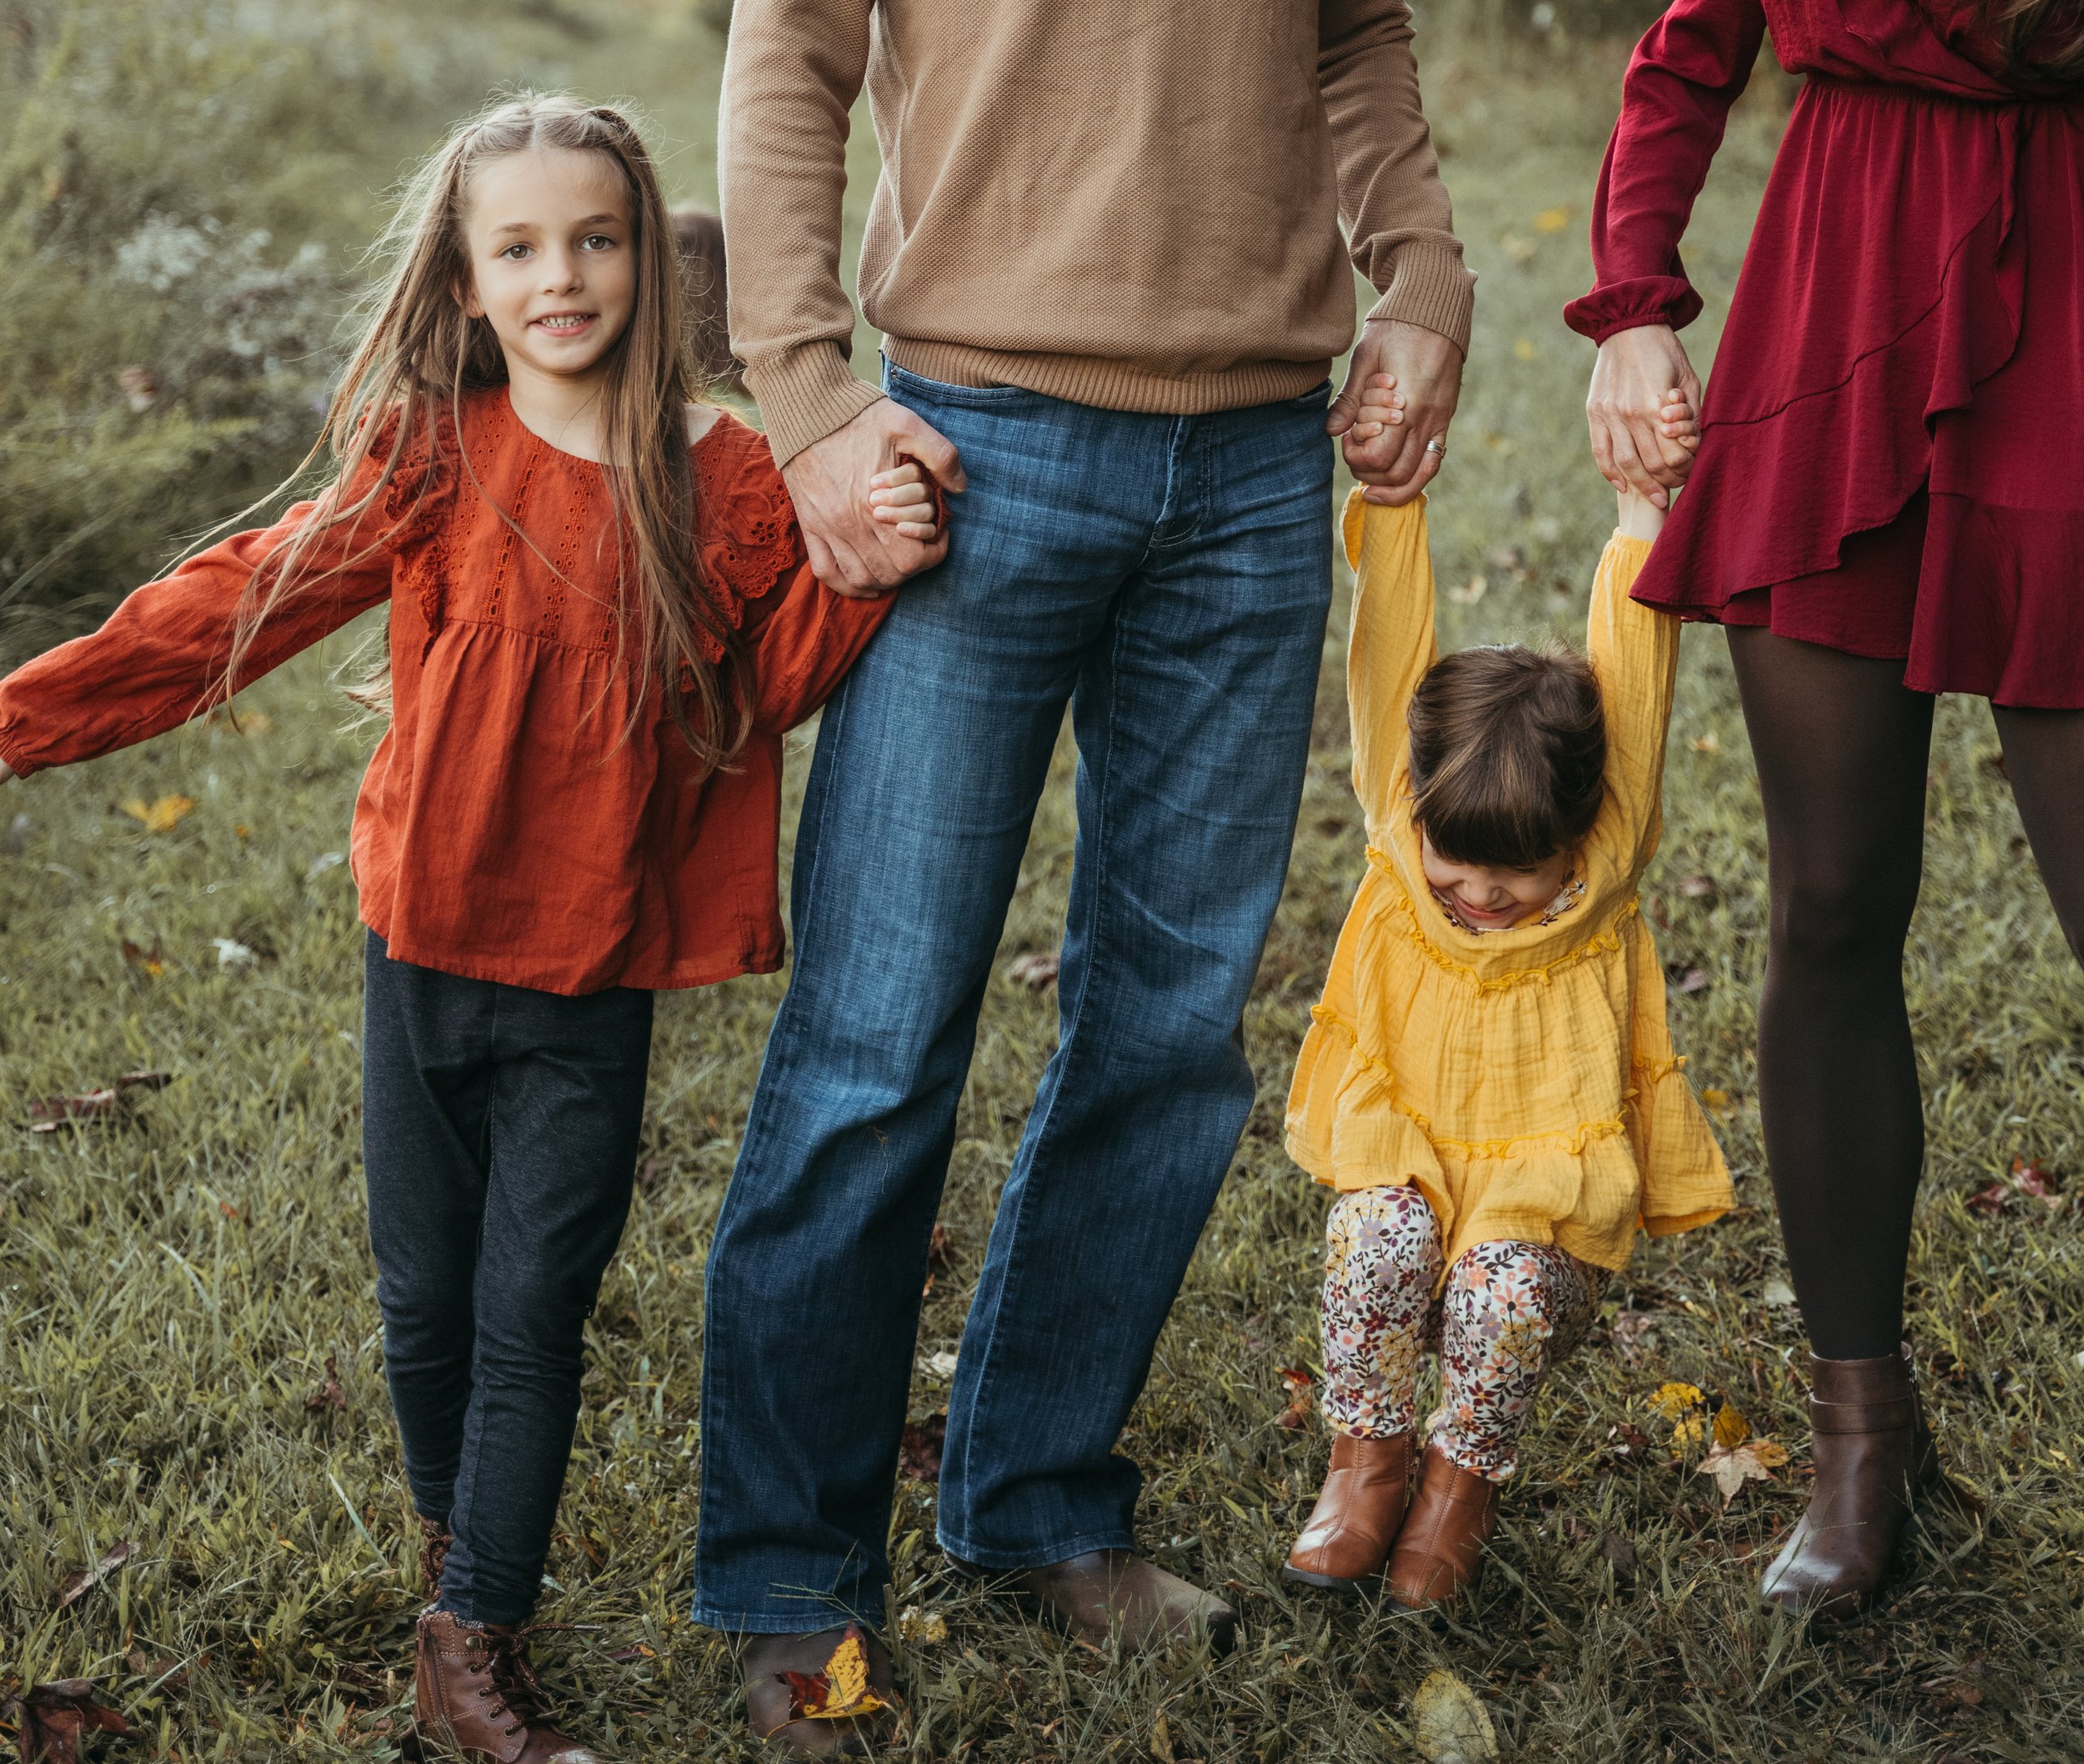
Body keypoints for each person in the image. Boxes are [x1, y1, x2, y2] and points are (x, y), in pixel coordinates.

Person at [0, 94, 936, 1761]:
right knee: (425, 1304)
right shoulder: (438, 455)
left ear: (647, 257)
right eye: (518, 247)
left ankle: (474, 1637)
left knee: (531, 1310)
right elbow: (237, 601)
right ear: (468, 275)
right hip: (420, 940)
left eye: (593, 238)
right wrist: (23, 712)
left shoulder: (715, 480)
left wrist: (868, 556)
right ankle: (462, 1560)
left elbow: (775, 680)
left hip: (591, 971)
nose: (560, 274)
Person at [704, 0, 1475, 1747]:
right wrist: (809, 393)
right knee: (873, 1043)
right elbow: (789, 49)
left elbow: (1351, 35)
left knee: (1167, 1033)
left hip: (1260, 468)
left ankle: (1040, 1500)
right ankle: (785, 1578)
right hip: (975, 445)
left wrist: (1420, 281)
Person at [1571, 0, 2084, 1617]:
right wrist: (1631, 306)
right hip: (1834, 311)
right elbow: (1685, 46)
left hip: (2069, 297)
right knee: (1833, 898)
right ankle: (1862, 1435)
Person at [1281, 426, 1735, 1606]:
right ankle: (1369, 1461)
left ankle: (1456, 1488)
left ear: (1582, 834)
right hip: (1411, 1166)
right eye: (1456, 867)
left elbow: (1632, 671)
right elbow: (1388, 654)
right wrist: (1392, 503)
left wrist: (1643, 516)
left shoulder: (1606, 868)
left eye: (1513, 876)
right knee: (1377, 1234)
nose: (1479, 897)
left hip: (1538, 1220)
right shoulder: (1401, 827)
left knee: (1500, 1297)